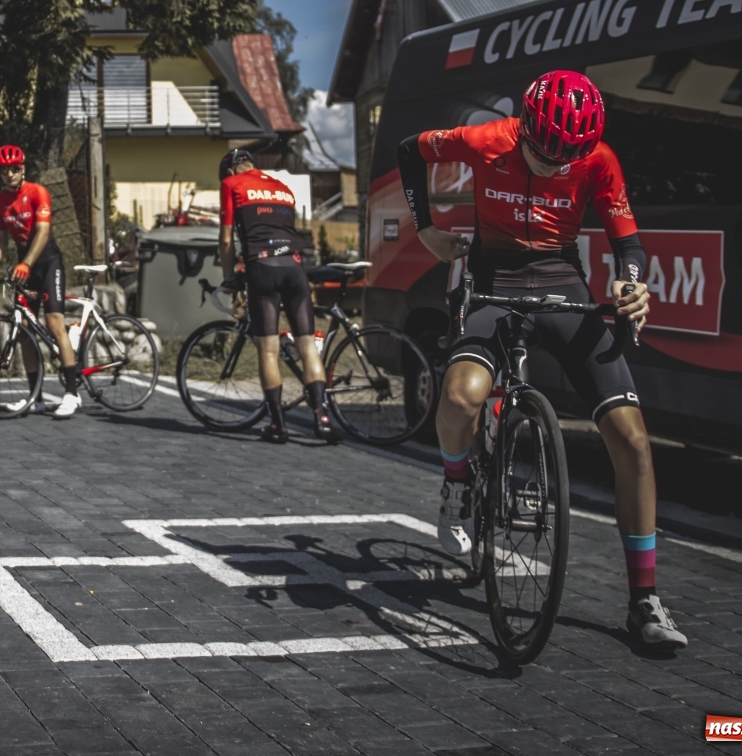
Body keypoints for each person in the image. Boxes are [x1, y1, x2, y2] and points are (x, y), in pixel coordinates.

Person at [398, 69, 688, 650]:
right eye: (543, 154)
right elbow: (411, 151)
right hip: (493, 279)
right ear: (524, 128)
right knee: (458, 396)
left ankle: (645, 600)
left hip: (561, 282)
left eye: (568, 159)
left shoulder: (598, 158)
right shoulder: (486, 140)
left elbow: (627, 241)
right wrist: (427, 229)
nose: (556, 167)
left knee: (632, 441)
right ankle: (458, 483)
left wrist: (632, 283)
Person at [217, 148, 340, 444]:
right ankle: (322, 420)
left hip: (263, 268)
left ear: (231, 170)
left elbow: (225, 239)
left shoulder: (232, 185)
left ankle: (277, 425)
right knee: (308, 346)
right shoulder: (282, 188)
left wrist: (229, 277)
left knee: (268, 350)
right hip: (295, 268)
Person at [0, 144, 82, 419]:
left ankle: (71, 393)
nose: (9, 175)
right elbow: (0, 241)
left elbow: (43, 232)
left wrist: (26, 263)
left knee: (54, 324)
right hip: (26, 266)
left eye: (14, 169)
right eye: (4, 171)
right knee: (23, 331)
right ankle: (37, 398)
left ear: (23, 169)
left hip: (47, 262)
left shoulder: (37, 192)